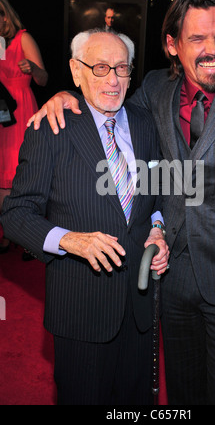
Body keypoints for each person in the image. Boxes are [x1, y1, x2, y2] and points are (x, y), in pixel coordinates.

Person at [28, 0, 215, 405]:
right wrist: (63, 95)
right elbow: (105, 102)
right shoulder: (154, 88)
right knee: (182, 391)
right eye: (197, 38)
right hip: (169, 280)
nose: (213, 49)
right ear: (172, 45)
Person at [0, 29, 169, 405]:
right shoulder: (51, 128)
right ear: (76, 72)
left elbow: (158, 195)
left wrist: (158, 229)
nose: (112, 79)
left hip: (140, 309)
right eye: (100, 67)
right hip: (81, 309)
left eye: (121, 68)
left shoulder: (144, 123)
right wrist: (68, 239)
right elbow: (15, 213)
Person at [0, 0, 48, 254]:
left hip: (22, 106)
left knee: (21, 172)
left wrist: (32, 68)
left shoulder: (23, 39)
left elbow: (44, 79)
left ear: (4, 16)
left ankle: (28, 235)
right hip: (2, 108)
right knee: (3, 173)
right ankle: (10, 231)